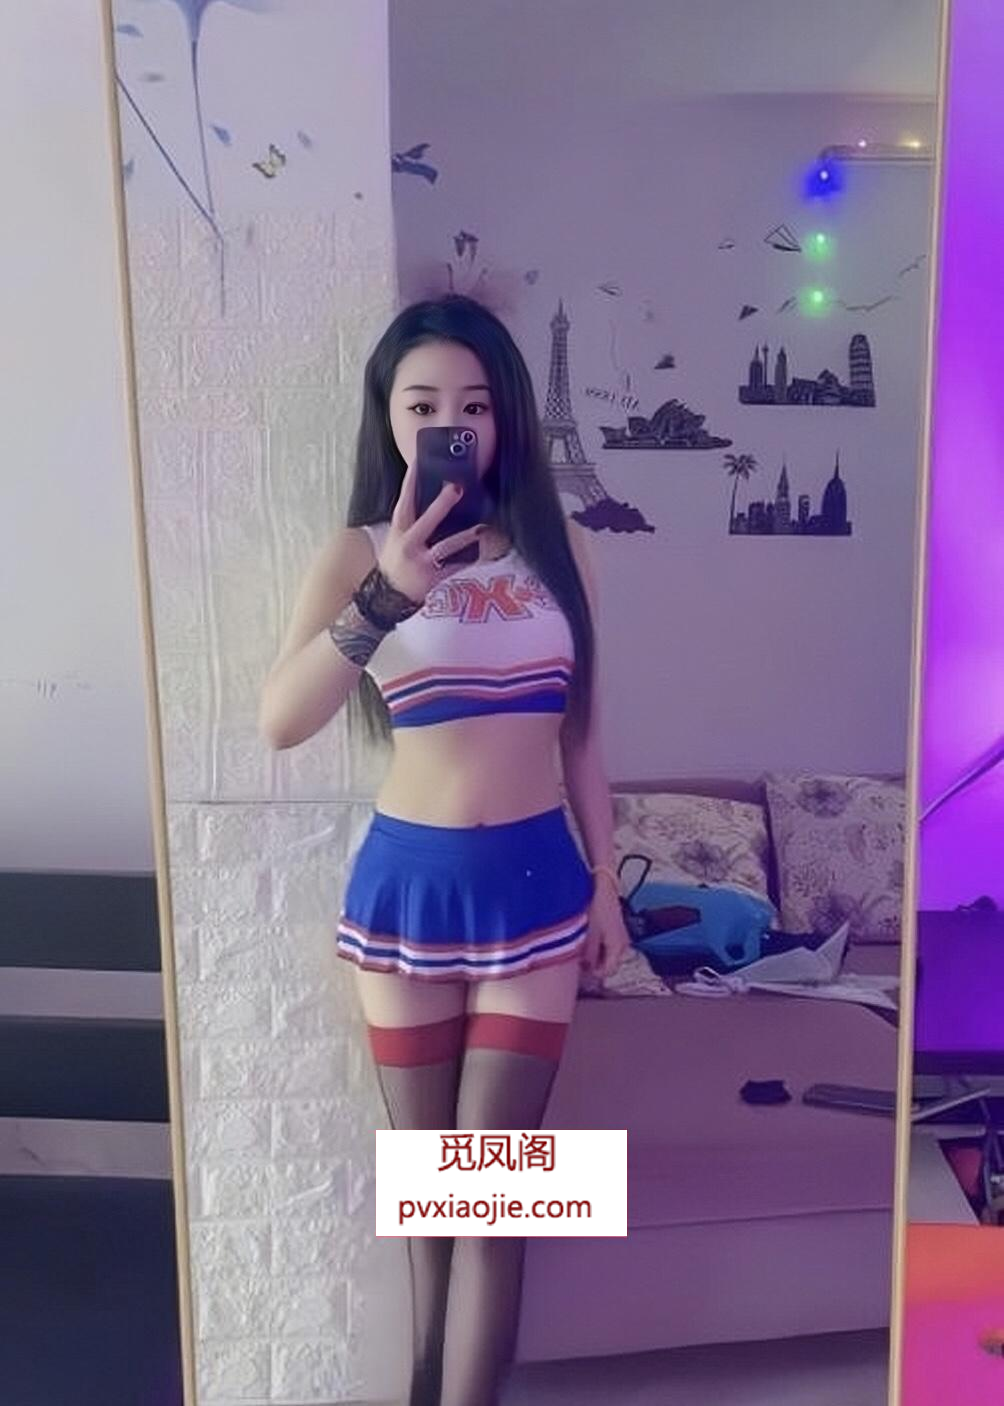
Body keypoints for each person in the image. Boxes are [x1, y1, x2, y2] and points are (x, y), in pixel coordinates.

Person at [259, 294, 630, 1406]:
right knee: (432, 1198)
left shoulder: (563, 549)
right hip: (407, 891)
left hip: (538, 888)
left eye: (472, 404)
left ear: (504, 417)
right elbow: (280, 721)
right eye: (421, 405)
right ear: (388, 419)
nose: (448, 423)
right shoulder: (356, 554)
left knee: (492, 1198)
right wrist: (388, 594)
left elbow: (584, 736)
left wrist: (607, 886)